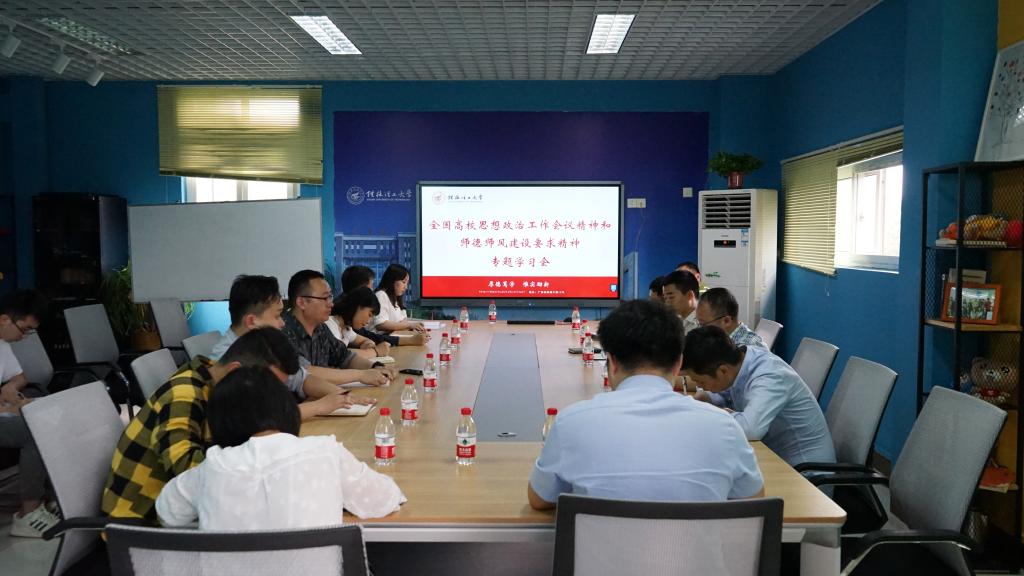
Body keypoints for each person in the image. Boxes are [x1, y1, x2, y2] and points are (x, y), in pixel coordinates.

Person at [527, 300, 764, 510]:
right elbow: (753, 499)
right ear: (678, 363)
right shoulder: (724, 427)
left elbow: (540, 499)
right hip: (695, 549)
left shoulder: (571, 423)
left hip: (604, 549)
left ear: (611, 362)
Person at [155, 366, 404, 529]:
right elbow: (385, 499)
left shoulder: (211, 467)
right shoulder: (326, 451)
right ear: (288, 409)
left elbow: (168, 512)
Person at [103, 328, 302, 522]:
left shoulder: (216, 383)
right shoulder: (183, 396)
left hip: (186, 512)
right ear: (236, 371)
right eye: (268, 386)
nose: (271, 396)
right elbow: (187, 470)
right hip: (140, 523)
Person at [209, 275, 360, 420]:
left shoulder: (263, 346)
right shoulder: (227, 359)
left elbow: (301, 379)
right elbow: (260, 417)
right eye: (277, 316)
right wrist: (319, 406)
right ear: (251, 321)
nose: (282, 323)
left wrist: (344, 396)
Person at [681, 326, 835, 468]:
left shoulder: (770, 376)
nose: (700, 386)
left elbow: (750, 429)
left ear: (722, 371)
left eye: (700, 381)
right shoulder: (741, 362)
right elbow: (726, 394)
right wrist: (705, 397)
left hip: (806, 470)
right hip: (775, 456)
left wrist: (712, 415)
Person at [0, 290, 59, 537]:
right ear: (5, 319)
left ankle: (51, 499)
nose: (24, 337)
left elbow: (20, 376)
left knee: (56, 417)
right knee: (34, 431)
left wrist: (11, 386)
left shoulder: (3, 344)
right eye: (24, 330)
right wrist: (10, 409)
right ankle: (28, 514)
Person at [281, 270, 394, 387]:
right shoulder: (282, 332)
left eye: (330, 297)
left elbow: (344, 357)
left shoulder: (320, 328)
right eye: (325, 298)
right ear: (302, 302)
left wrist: (376, 367)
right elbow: (304, 373)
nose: (331, 304)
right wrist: (360, 375)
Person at [340, 265, 427, 347]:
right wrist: (409, 336)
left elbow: (367, 337)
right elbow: (378, 328)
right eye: (403, 282)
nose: (372, 292)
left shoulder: (348, 327)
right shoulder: (339, 325)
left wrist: (368, 344)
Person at [326, 287, 391, 358]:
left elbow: (365, 340)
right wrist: (375, 351)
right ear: (357, 306)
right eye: (369, 315)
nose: (368, 322)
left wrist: (368, 345)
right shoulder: (329, 326)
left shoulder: (346, 329)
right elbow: (341, 356)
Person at [696, 287, 768, 350]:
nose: (700, 330)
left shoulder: (751, 349)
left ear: (726, 321)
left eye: (703, 324)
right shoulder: (719, 339)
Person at [373, 263, 425, 334]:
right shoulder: (381, 295)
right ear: (392, 280)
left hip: (392, 336)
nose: (406, 287)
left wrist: (413, 327)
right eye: (403, 282)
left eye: (407, 283)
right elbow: (381, 324)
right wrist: (410, 325)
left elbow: (403, 321)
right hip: (379, 339)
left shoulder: (396, 298)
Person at [661, 269, 700, 335]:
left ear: (689, 295)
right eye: (665, 298)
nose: (667, 303)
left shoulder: (705, 322)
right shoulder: (672, 323)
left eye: (671, 297)